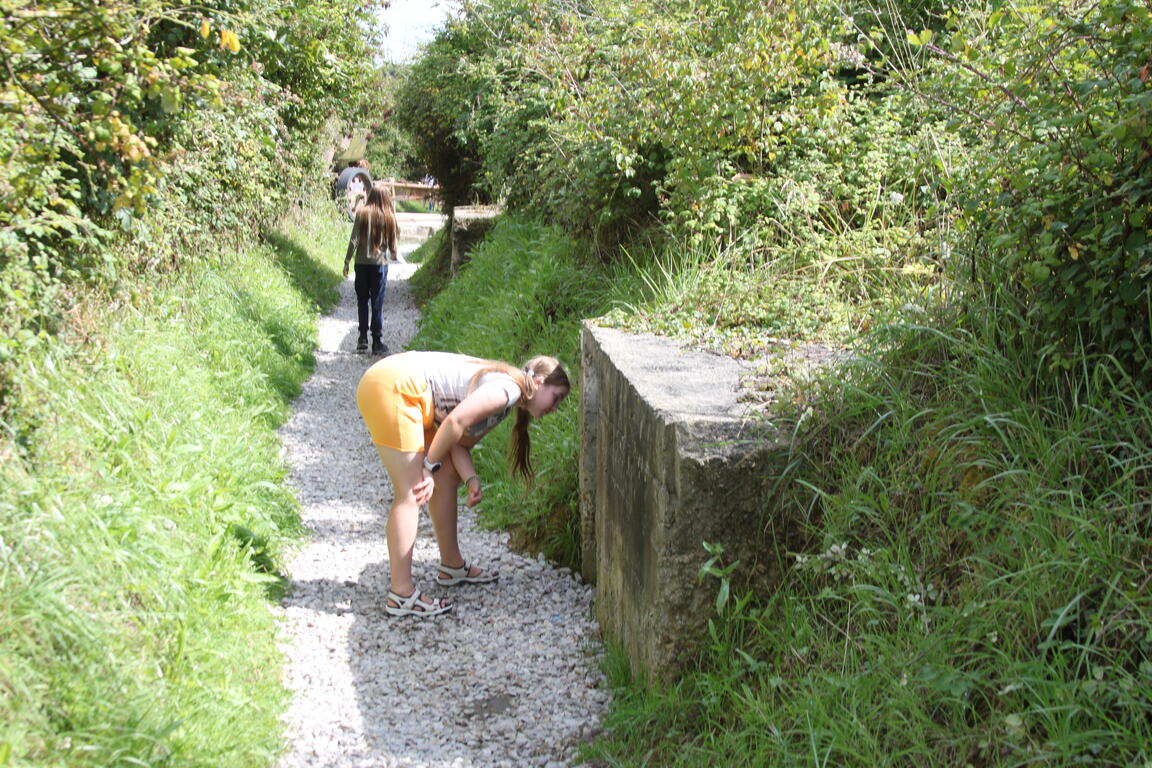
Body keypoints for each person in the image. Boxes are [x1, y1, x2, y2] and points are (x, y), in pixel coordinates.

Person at [355, 351, 570, 617]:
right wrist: (427, 467)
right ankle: (401, 593)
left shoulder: (506, 394)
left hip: (398, 382)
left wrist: (470, 478)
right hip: (396, 386)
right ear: (538, 382)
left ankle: (452, 565)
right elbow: (456, 422)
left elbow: (455, 438)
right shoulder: (507, 390)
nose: (555, 407)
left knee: (447, 475)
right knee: (412, 491)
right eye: (556, 397)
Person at [343, 182, 399, 355]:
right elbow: (393, 244)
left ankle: (362, 339)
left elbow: (354, 240)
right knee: (377, 303)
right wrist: (394, 254)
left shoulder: (362, 213)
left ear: (371, 195)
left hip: (361, 264)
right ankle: (377, 341)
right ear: (385, 198)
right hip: (379, 265)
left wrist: (346, 261)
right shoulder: (388, 216)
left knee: (362, 300)